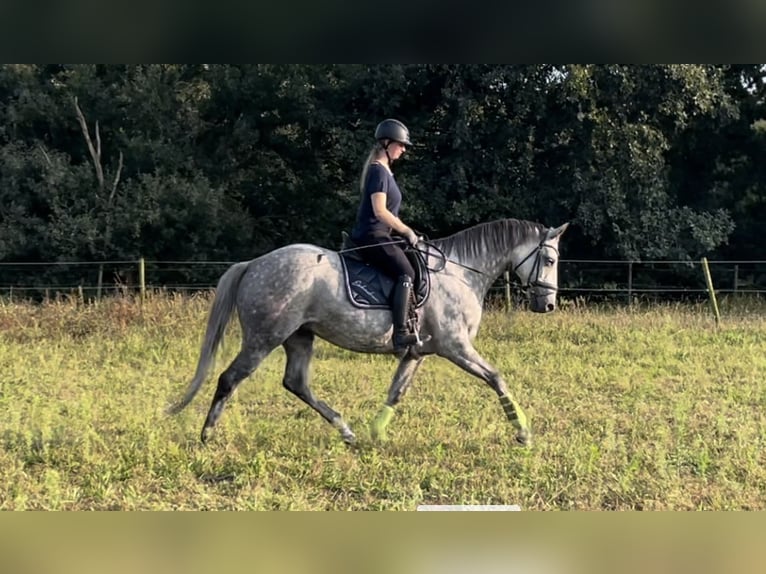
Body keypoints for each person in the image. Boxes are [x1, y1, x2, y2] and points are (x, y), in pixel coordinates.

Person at [350, 118, 420, 351]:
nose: (404, 149)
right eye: (401, 144)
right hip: (372, 235)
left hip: (380, 235)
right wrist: (406, 230)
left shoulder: (384, 172)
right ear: (387, 143)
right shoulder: (378, 172)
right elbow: (380, 211)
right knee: (406, 272)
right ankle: (400, 335)